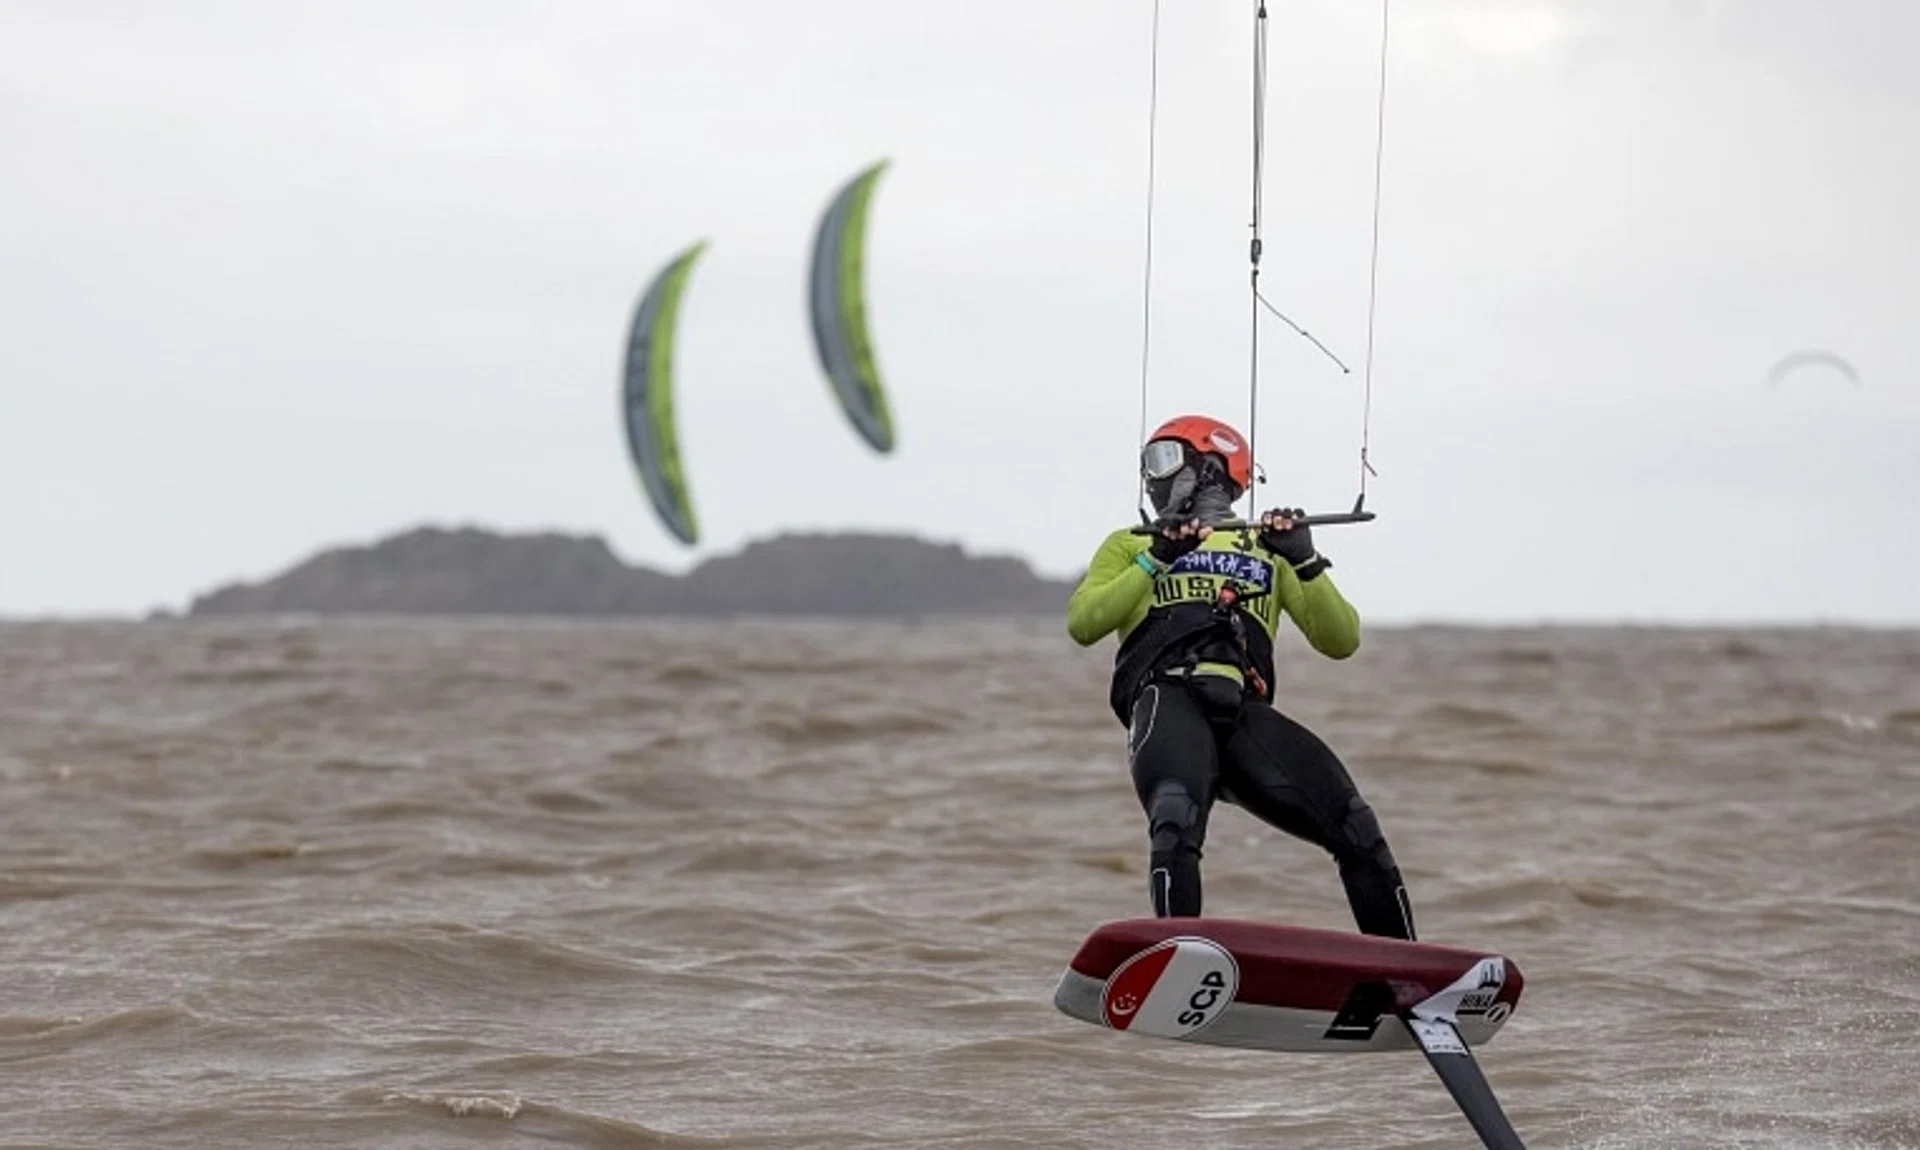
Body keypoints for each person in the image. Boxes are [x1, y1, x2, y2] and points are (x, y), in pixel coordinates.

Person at [1066, 414, 1416, 940]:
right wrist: (1157, 559)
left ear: (1211, 469)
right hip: (1168, 698)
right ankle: (1178, 957)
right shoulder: (1130, 543)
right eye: (1147, 465)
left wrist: (1304, 560)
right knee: (1175, 816)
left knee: (1356, 827)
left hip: (1241, 710)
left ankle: (1409, 974)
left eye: (1164, 459)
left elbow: (1341, 641)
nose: (1152, 478)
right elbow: (1084, 624)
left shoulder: (1264, 548)